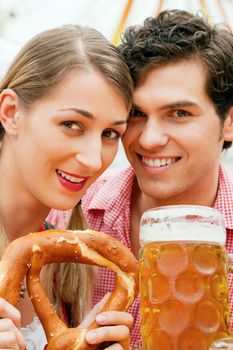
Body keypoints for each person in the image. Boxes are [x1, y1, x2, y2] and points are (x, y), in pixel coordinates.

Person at [48, 9, 233, 349]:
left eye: (179, 114)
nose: (149, 139)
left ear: (229, 121)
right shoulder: (68, 218)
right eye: (136, 114)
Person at [0, 24, 134, 349]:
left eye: (110, 134)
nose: (91, 160)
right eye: (72, 125)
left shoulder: (66, 271)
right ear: (11, 113)